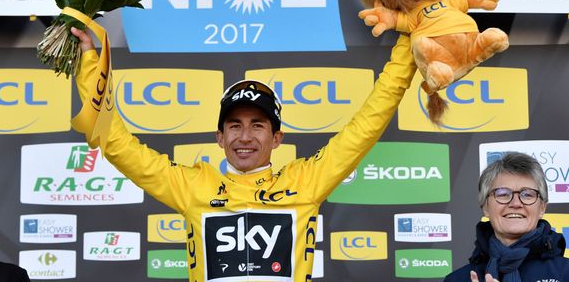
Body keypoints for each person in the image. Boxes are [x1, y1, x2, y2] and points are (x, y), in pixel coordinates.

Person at [70, 20, 416, 282]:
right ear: (219, 138)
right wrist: (89, 61)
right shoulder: (193, 187)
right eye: (234, 125)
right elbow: (115, 143)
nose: (245, 136)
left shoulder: (307, 181)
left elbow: (368, 123)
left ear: (277, 138)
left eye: (258, 125)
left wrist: (407, 45)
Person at [444, 152, 569, 282]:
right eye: (503, 194)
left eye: (527, 194)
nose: (516, 203)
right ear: (485, 207)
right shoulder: (458, 279)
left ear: (542, 208)